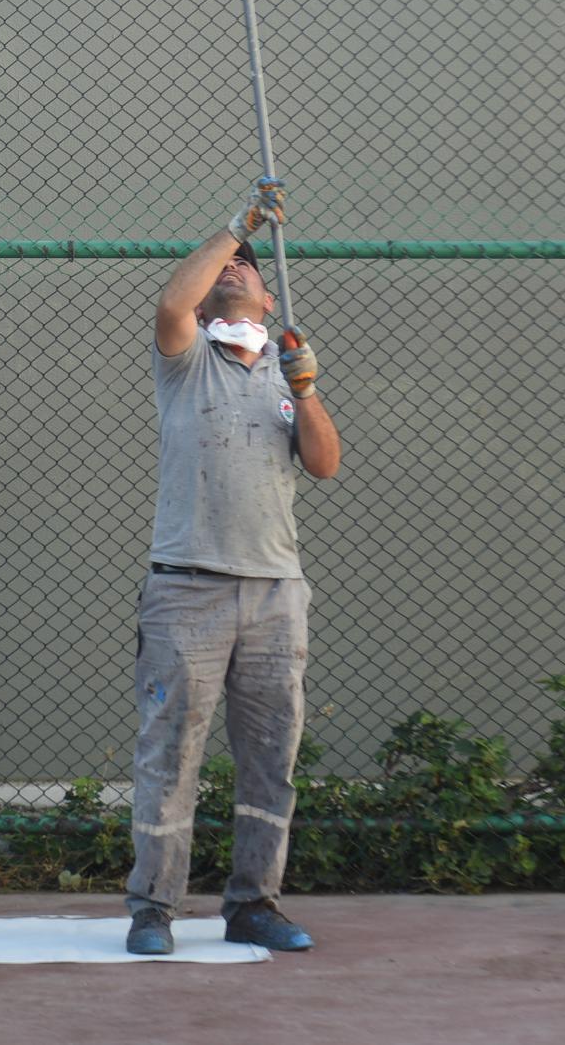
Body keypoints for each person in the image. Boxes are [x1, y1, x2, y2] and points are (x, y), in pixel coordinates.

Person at [125, 191, 341, 957]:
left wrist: (308, 390)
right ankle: (153, 909)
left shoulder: (286, 374)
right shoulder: (187, 360)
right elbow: (172, 298)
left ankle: (254, 903)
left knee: (271, 755)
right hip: (189, 588)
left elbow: (324, 464)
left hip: (276, 591)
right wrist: (239, 228)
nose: (234, 272)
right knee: (170, 753)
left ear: (269, 294)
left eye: (247, 268)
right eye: (225, 266)